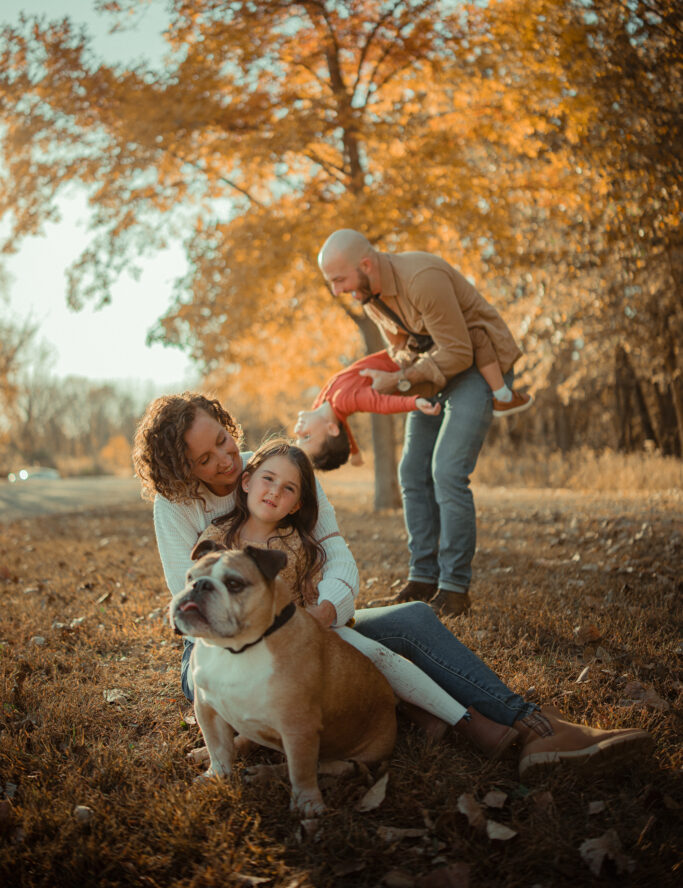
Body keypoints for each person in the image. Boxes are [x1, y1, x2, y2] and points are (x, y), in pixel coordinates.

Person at [133, 392, 652, 779]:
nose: (225, 461)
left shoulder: (274, 469)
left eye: (224, 441)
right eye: (205, 459)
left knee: (413, 620)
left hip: (313, 625)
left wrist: (328, 612)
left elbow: (337, 555)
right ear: (182, 468)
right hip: (224, 651)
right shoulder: (176, 507)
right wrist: (289, 639)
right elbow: (196, 608)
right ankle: (450, 726)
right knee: (316, 678)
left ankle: (538, 729)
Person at [317, 228, 528, 618]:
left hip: (479, 366)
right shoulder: (371, 299)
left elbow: (461, 351)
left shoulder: (421, 279)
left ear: (366, 265)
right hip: (434, 372)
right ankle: (423, 577)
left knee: (446, 471)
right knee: (412, 472)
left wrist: (401, 380)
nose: (336, 291)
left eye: (339, 280)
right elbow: (402, 350)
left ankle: (454, 588)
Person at [294, 341, 532, 471]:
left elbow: (343, 430)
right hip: (409, 357)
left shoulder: (324, 403)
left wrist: (355, 453)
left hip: (400, 348)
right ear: (330, 429)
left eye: (300, 437)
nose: (296, 431)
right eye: (305, 437)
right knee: (469, 348)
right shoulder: (344, 401)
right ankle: (497, 392)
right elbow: (381, 404)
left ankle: (495, 390)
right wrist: (413, 403)